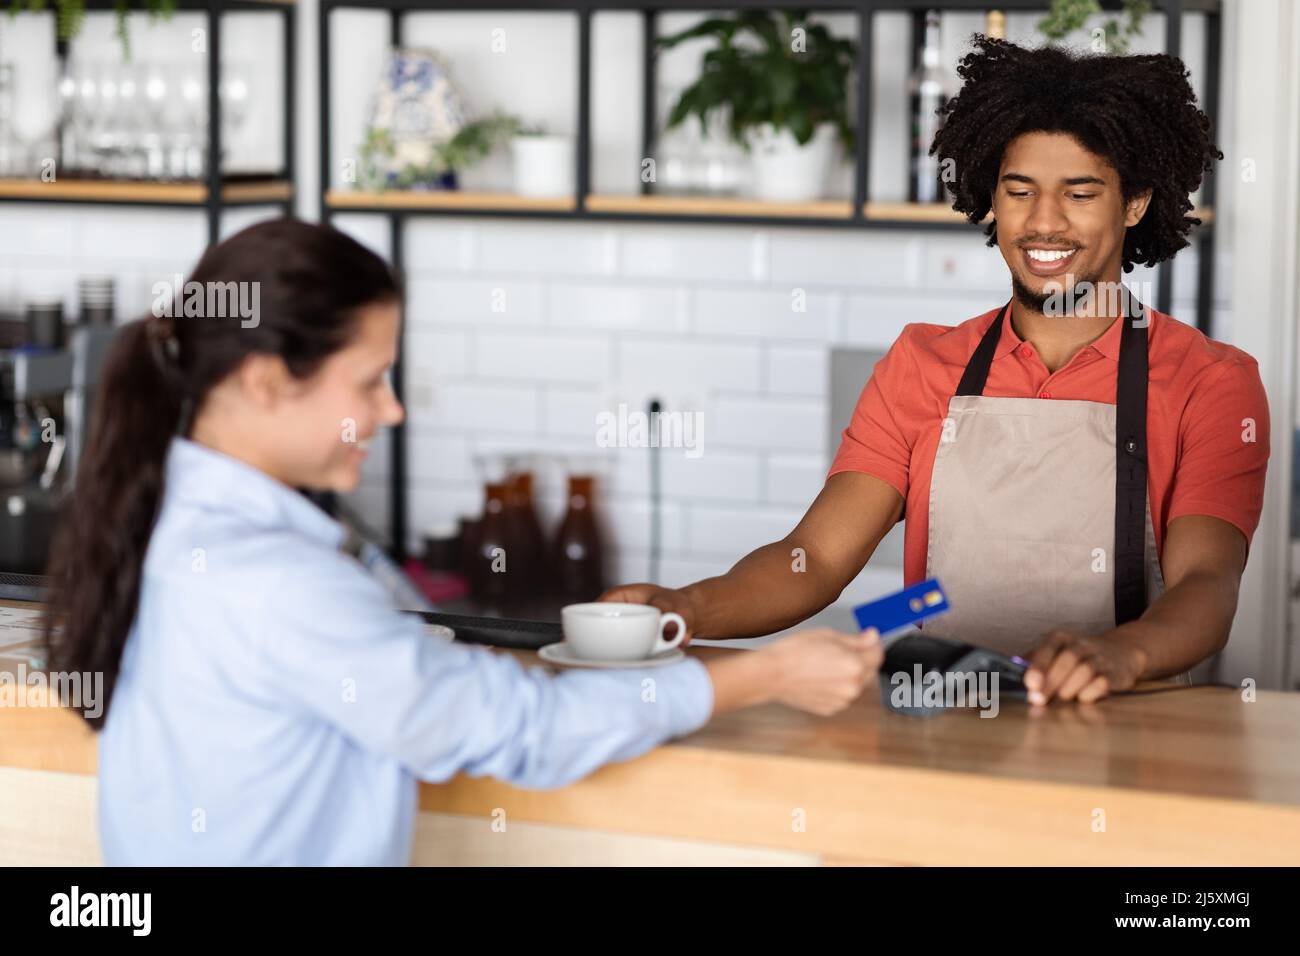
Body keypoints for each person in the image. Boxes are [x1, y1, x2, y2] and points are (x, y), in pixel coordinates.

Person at [42, 219, 882, 865]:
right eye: (370, 380)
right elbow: (516, 728)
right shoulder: (274, 580)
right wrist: (763, 674)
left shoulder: (162, 520)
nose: (393, 410)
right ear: (266, 382)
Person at [601, 37, 1270, 707]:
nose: (1043, 222)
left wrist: (1122, 654)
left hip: (1128, 730)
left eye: (1079, 193)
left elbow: (1208, 586)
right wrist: (684, 608)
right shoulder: (923, 365)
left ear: (1134, 204)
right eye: (1020, 191)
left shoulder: (1211, 383)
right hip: (941, 720)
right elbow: (816, 559)